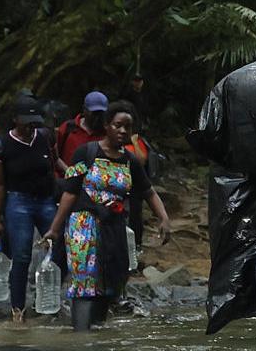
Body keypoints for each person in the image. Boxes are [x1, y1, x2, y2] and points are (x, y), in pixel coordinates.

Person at [43, 101, 171, 330]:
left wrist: (164, 218)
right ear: (107, 126)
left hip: (114, 228)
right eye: (117, 125)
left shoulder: (130, 161)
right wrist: (54, 228)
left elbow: (148, 192)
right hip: (83, 226)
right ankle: (81, 337)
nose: (122, 131)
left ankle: (98, 334)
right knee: (85, 280)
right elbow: (70, 192)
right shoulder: (86, 152)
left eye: (128, 127)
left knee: (112, 280)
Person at [0, 95, 62, 322]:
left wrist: (76, 176)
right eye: (26, 121)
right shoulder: (1, 146)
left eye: (34, 121)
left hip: (45, 200)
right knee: (21, 256)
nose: (31, 126)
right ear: (15, 120)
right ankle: (17, 310)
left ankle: (50, 298)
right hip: (18, 202)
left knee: (60, 247)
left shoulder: (45, 137)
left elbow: (56, 163)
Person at [54, 91, 108, 167]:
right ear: (84, 109)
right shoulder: (69, 127)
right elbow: (54, 155)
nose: (97, 117)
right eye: (95, 113)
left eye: (101, 113)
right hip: (64, 176)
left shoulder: (106, 134)